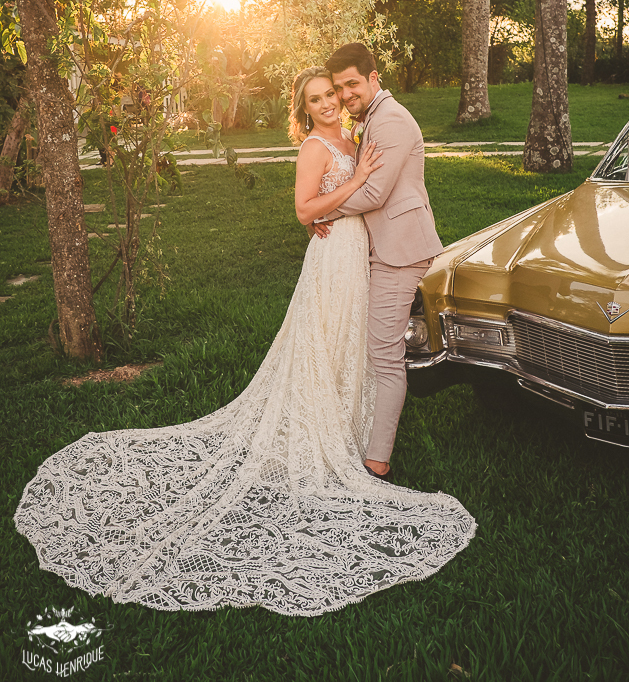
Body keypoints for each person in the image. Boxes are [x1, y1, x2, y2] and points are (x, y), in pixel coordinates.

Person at [14, 67, 475, 618]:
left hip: (360, 258)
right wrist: (349, 189)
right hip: (332, 261)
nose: (329, 103)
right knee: (321, 343)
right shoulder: (312, 146)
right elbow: (306, 210)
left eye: (333, 94)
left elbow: (351, 202)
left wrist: (345, 193)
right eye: (317, 99)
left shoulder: (352, 137)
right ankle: (318, 436)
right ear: (303, 109)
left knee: (348, 348)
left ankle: (346, 428)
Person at [322, 43, 443, 483]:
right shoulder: (369, 117)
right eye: (339, 88)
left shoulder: (390, 120)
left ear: (374, 78)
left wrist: (320, 211)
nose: (345, 94)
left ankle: (377, 462)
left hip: (400, 250)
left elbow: (373, 194)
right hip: (383, 244)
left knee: (385, 355)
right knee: (375, 346)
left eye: (352, 83)